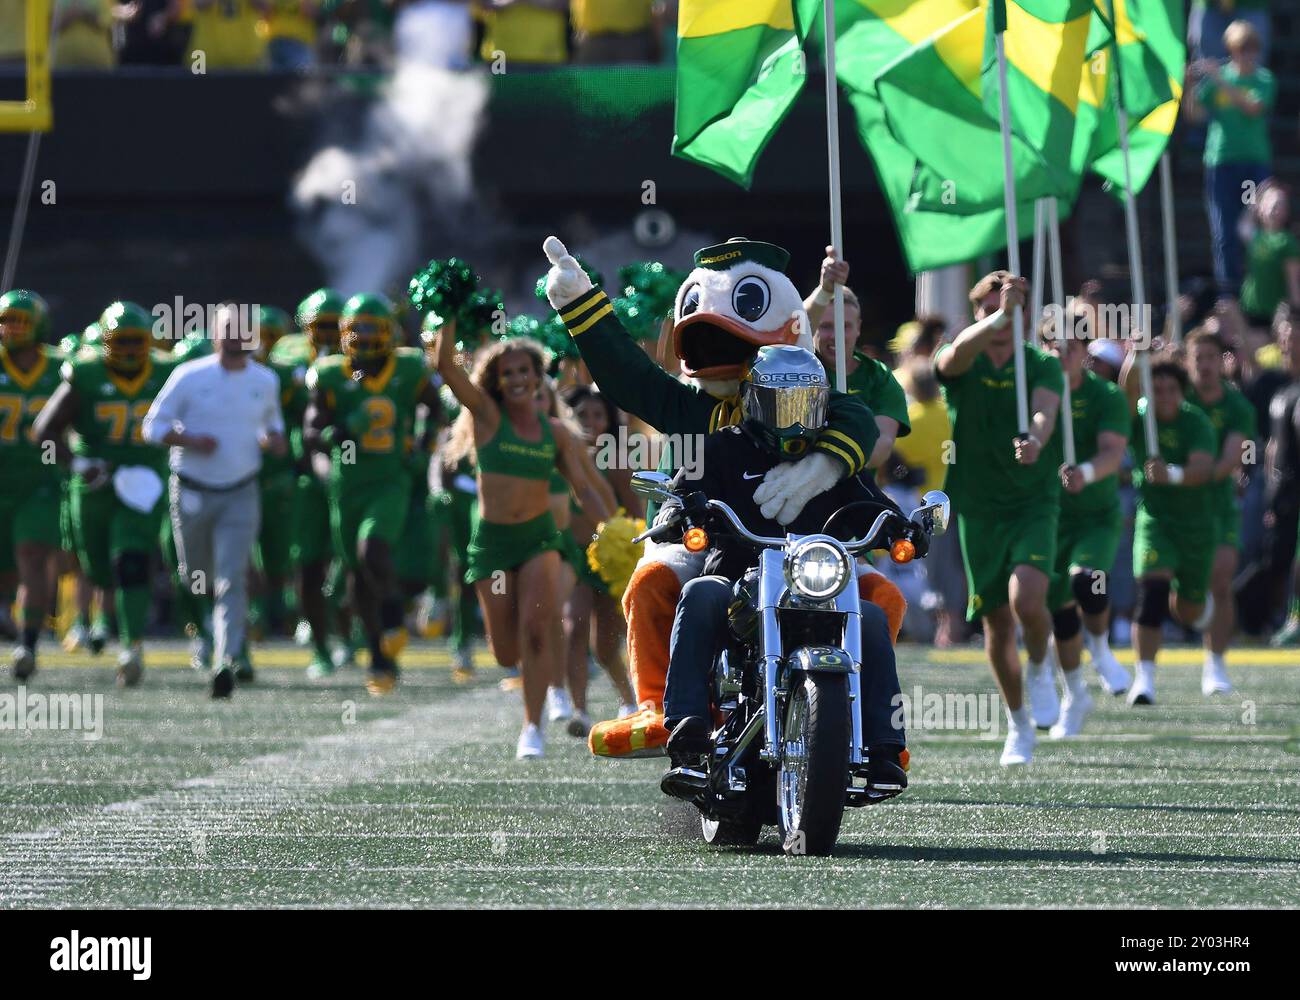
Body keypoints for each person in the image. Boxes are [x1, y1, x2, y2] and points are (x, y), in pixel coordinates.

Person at [541, 235, 895, 760]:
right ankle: (659, 706)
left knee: (880, 597)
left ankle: (870, 724)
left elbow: (858, 430)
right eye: (771, 393)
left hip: (808, 556)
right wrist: (581, 305)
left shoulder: (823, 408)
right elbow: (633, 380)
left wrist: (897, 523)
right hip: (725, 550)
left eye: (797, 395)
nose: (786, 405)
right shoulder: (711, 428)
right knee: (657, 580)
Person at [662, 346, 908, 796]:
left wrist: (903, 527)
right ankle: (688, 729)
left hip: (818, 591)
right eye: (783, 403)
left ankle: (885, 749)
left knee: (871, 617)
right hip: (739, 582)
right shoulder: (721, 448)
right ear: (755, 400)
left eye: (806, 404)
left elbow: (876, 504)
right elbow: (678, 495)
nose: (796, 418)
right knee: (701, 592)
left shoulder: (832, 465)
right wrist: (679, 513)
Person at [435, 325, 613, 759]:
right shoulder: (486, 417)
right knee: (505, 652)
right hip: (494, 547)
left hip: (539, 542)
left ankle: (531, 727)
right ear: (497, 380)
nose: (517, 378)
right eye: (508, 372)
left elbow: (584, 489)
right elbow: (445, 367)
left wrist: (612, 528)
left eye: (524, 371)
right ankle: (534, 692)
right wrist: (451, 315)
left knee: (536, 628)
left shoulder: (556, 433)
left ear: (538, 378)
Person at [934, 271, 1062, 766]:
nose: (1002, 320)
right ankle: (1019, 723)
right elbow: (951, 358)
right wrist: (997, 318)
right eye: (989, 311)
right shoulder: (963, 358)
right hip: (979, 505)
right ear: (977, 314)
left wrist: (1036, 440)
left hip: (1032, 500)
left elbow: (1044, 412)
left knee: (1026, 598)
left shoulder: (1040, 364)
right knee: (995, 621)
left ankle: (1043, 666)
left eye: (1010, 311)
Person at [142, 304, 287, 697]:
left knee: (232, 578)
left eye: (243, 331)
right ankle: (205, 633)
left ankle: (227, 658)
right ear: (215, 334)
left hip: (241, 489)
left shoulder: (265, 379)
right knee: (195, 576)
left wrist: (272, 440)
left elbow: (273, 425)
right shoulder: (190, 375)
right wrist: (190, 440)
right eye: (229, 330)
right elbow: (152, 427)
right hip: (192, 488)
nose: (238, 338)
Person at [304, 293, 443, 696]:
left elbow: (434, 411)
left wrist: (423, 447)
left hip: (389, 481)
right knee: (356, 573)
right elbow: (312, 430)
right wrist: (339, 430)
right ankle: (379, 656)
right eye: (355, 328)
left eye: (371, 328)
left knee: (373, 551)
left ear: (389, 332)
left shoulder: (409, 367)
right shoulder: (329, 374)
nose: (362, 337)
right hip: (347, 485)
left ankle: (394, 613)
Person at [34, 302, 176, 686]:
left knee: (131, 559)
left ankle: (132, 646)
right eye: (121, 341)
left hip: (143, 481)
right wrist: (79, 464)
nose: (130, 350)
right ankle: (98, 621)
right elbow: (44, 430)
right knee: (95, 567)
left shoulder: (166, 372)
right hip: (93, 484)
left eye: (136, 341)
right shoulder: (85, 373)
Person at [1042, 327, 1132, 734]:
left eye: (1070, 348)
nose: (1062, 355)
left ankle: (1100, 647)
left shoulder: (1105, 395)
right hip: (1048, 517)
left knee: (1089, 581)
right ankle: (1074, 693)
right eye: (1054, 347)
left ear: (1084, 352)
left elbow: (1113, 453)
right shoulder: (1036, 392)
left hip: (1095, 514)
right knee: (1058, 611)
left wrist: (1086, 472)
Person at [1119, 351, 1217, 706]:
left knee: (1188, 611)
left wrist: (1171, 474)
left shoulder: (1196, 423)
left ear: (1182, 391)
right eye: (1156, 389)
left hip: (1195, 525)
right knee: (1151, 593)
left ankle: (1195, 602)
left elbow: (1203, 470)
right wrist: (1137, 354)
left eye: (1170, 389)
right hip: (1155, 519)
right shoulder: (1140, 418)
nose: (1163, 396)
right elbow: (1125, 392)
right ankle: (1144, 679)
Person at [560, 385, 639, 733]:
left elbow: (636, 515)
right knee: (573, 625)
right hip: (571, 556)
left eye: (598, 415)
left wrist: (629, 556)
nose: (591, 423)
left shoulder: (618, 462)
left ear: (610, 422)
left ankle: (628, 699)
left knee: (606, 644)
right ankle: (579, 709)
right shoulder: (558, 455)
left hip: (609, 559)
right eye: (582, 416)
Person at [1185, 329, 1255, 693]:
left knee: (1222, 577)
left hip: (1218, 504)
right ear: (1187, 361)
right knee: (1183, 593)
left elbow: (1234, 458)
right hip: (1176, 509)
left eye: (1212, 357)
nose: (1205, 365)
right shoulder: (1175, 399)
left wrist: (1191, 473)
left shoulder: (1237, 406)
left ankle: (1215, 664)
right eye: (1198, 357)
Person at [1186, 19, 1276, 293]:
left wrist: (1219, 78)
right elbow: (1195, 115)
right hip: (1222, 165)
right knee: (1224, 232)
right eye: (1241, 48)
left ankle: (1257, 291)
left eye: (1251, 48)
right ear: (1232, 49)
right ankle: (1229, 295)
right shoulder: (1219, 80)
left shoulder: (1263, 79)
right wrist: (1188, 86)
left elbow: (1252, 107)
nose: (1247, 54)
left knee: (1252, 229)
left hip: (1253, 166)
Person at [0, 291, 62, 681]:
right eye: (7, 321)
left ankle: (29, 641)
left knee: (32, 555)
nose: (11, 329)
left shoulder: (63, 366)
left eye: (20, 321)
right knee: (7, 564)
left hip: (41, 478)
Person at [802, 249, 912, 472]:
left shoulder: (879, 377)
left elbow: (883, 444)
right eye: (825, 327)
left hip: (857, 492)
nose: (835, 336)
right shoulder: (797, 367)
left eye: (845, 327)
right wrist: (824, 291)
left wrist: (831, 469)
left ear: (859, 327)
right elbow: (795, 327)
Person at [1240, 182, 1300, 329]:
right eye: (1271, 202)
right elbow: (1242, 227)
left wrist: (1296, 310)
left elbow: (1293, 280)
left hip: (1275, 313)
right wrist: (1256, 196)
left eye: (1280, 204)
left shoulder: (1287, 241)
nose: (1275, 207)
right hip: (1251, 308)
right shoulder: (1256, 236)